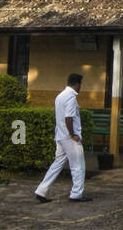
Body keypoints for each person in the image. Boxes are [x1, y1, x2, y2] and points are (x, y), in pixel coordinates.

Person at [34, 73, 92, 202]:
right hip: (69, 138)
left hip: (60, 136)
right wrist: (73, 134)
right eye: (80, 85)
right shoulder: (71, 98)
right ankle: (76, 194)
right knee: (78, 165)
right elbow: (69, 118)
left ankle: (41, 191)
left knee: (57, 164)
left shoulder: (59, 96)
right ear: (76, 84)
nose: (80, 87)